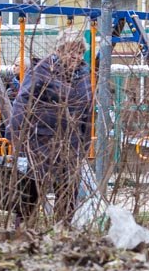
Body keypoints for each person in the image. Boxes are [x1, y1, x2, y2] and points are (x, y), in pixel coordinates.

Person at [7, 28, 94, 225]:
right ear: (59, 50)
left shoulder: (83, 76)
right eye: (71, 50)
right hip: (40, 143)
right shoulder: (42, 71)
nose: (76, 56)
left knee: (68, 194)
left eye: (80, 51)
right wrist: (17, 140)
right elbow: (22, 104)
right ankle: (21, 233)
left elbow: (87, 113)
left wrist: (83, 145)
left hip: (70, 146)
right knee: (30, 193)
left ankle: (62, 233)